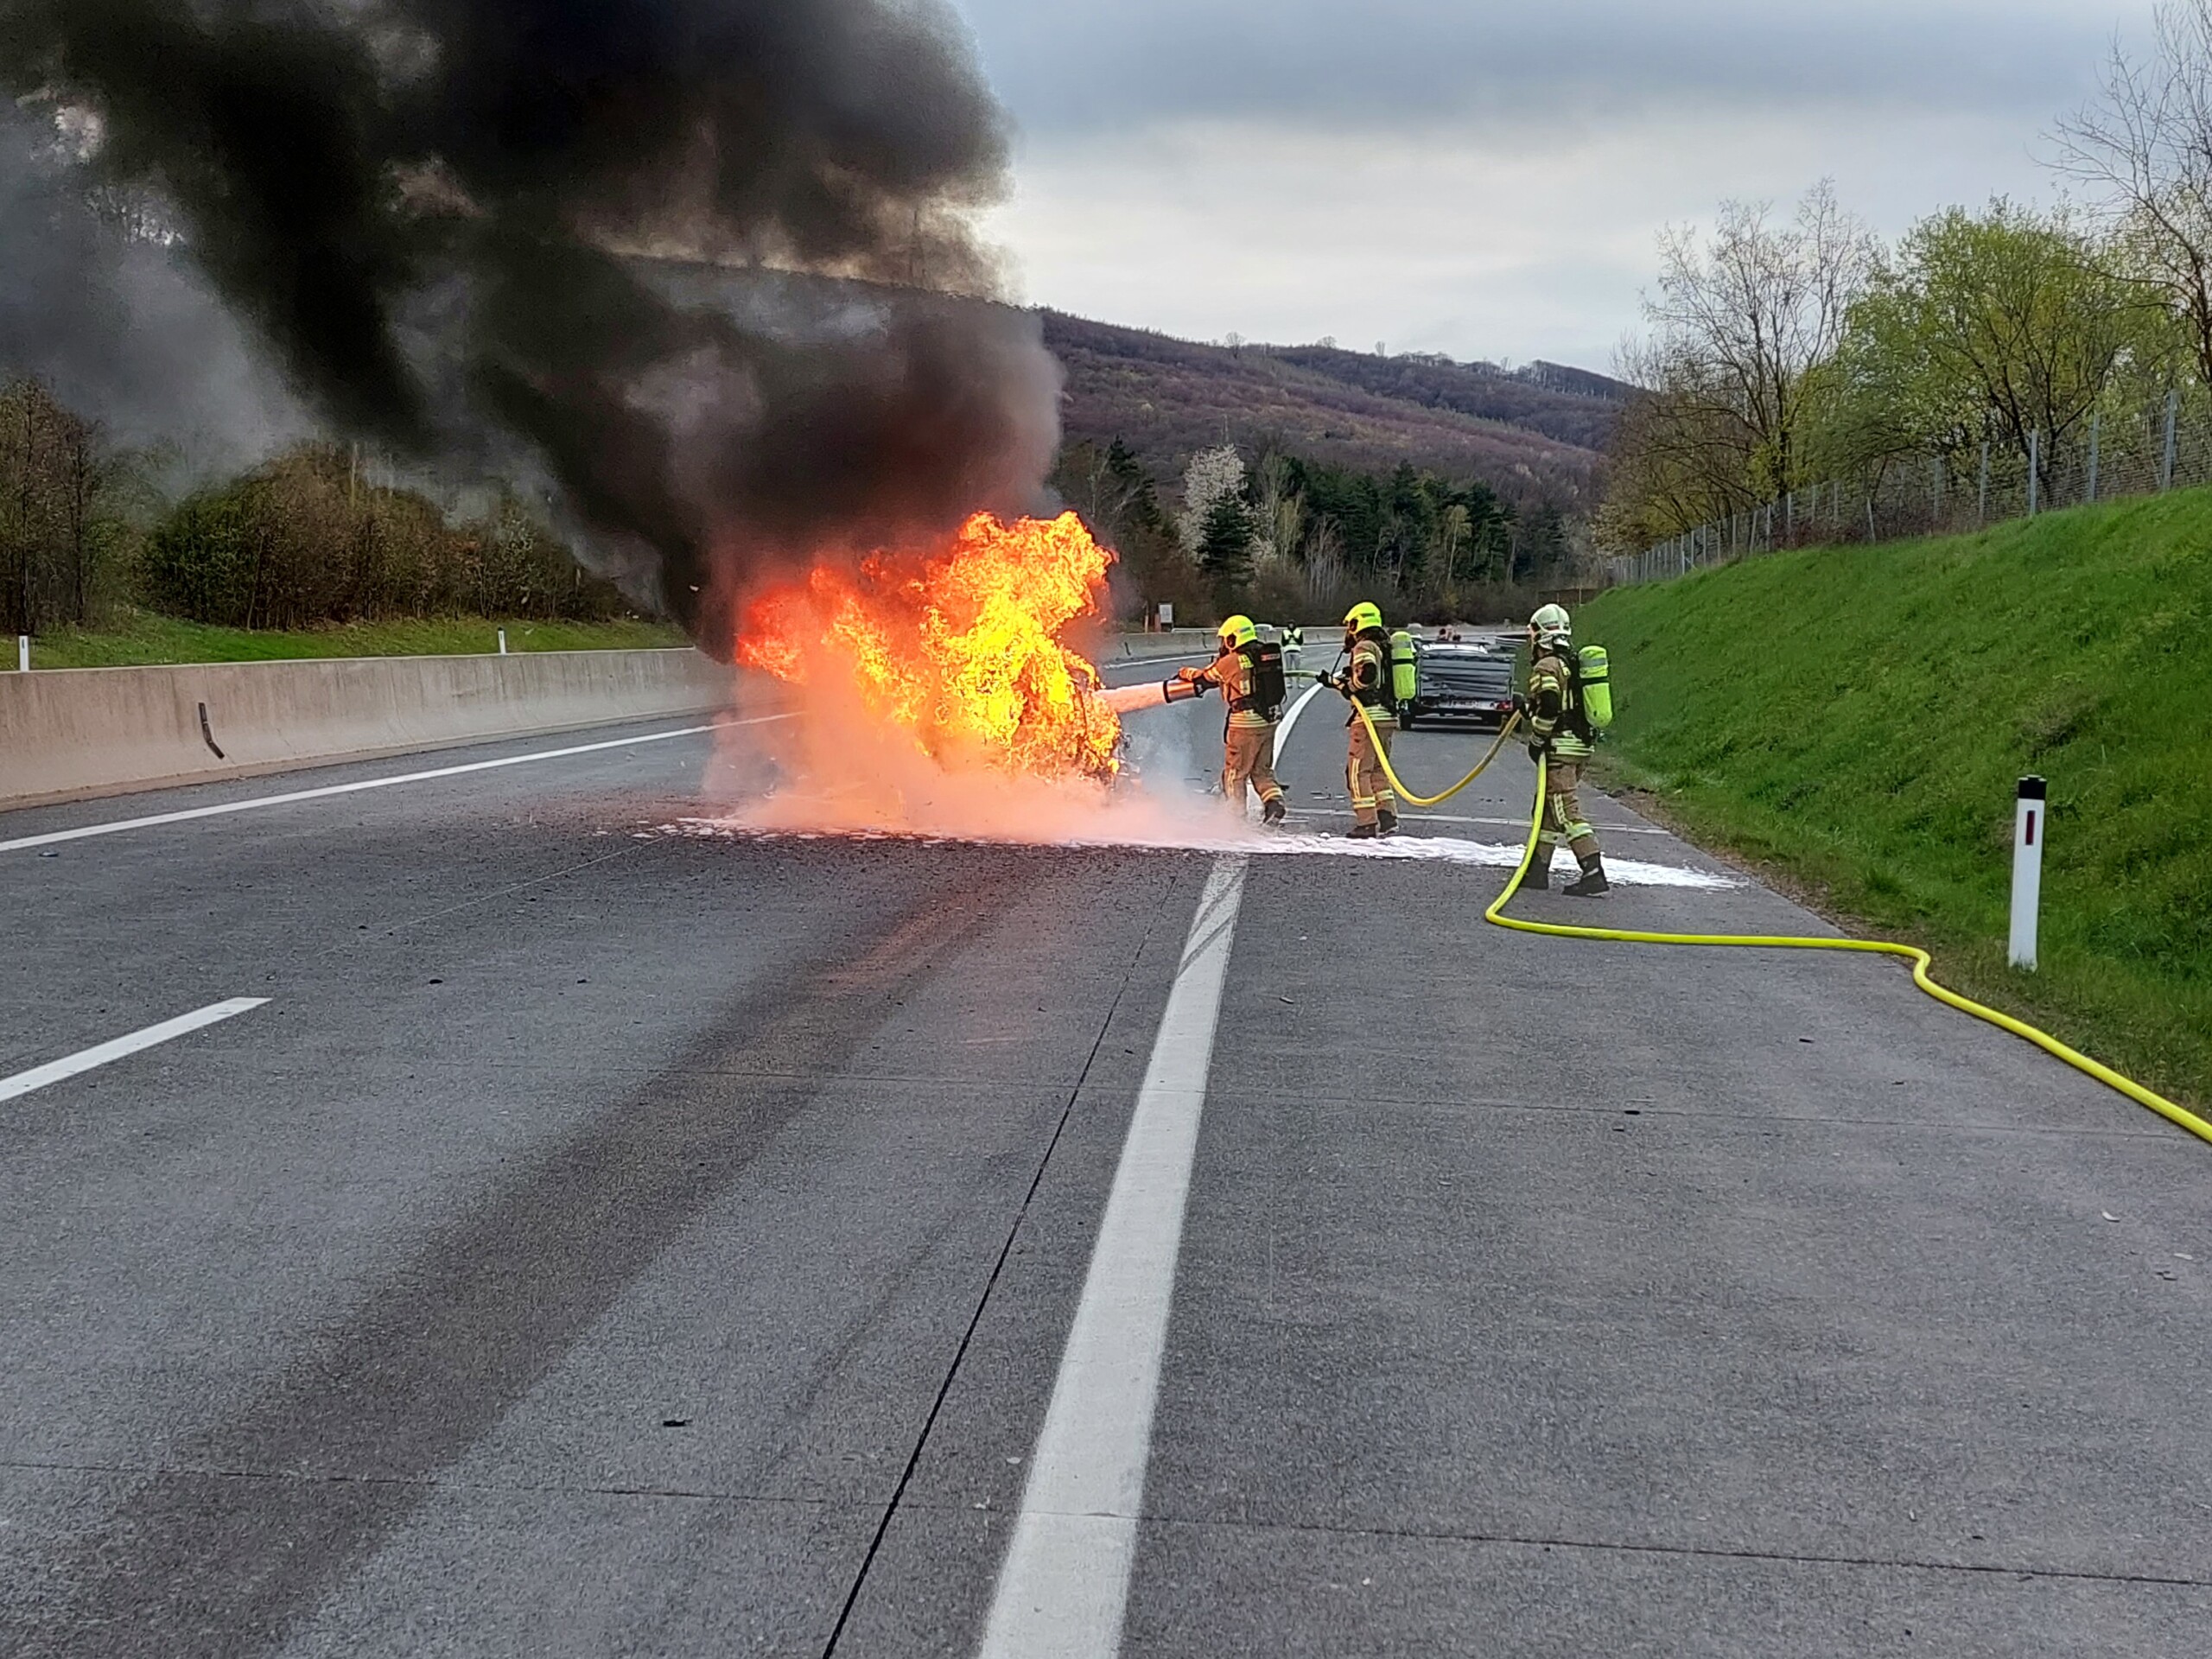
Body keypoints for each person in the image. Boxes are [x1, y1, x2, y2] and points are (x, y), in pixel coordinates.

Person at [1520, 602, 1608, 894]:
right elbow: (1562, 703)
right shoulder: (1572, 662)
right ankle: (1537, 870)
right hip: (1580, 745)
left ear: (1540, 636)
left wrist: (1537, 740)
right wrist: (1527, 709)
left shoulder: (1546, 666)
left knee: (1564, 809)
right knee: (1547, 808)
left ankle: (1592, 869)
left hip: (1560, 747)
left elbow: (1550, 706)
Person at [1176, 613, 1288, 823]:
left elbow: (1205, 678)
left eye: (1225, 640)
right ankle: (1274, 803)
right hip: (1268, 721)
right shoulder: (1262, 655)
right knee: (1262, 771)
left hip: (1244, 725)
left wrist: (1184, 672)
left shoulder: (1232, 661)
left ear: (1233, 638)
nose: (1223, 645)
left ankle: (1235, 818)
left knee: (1235, 773)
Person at [1326, 600, 1398, 838]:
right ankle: (1387, 817)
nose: (1349, 632)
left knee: (1358, 772)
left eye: (1350, 625)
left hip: (1369, 717)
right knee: (1378, 769)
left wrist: (1349, 687)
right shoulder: (1385, 645)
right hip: (1387, 715)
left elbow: (1367, 675)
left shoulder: (1364, 646)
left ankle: (1366, 823)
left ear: (1358, 624)